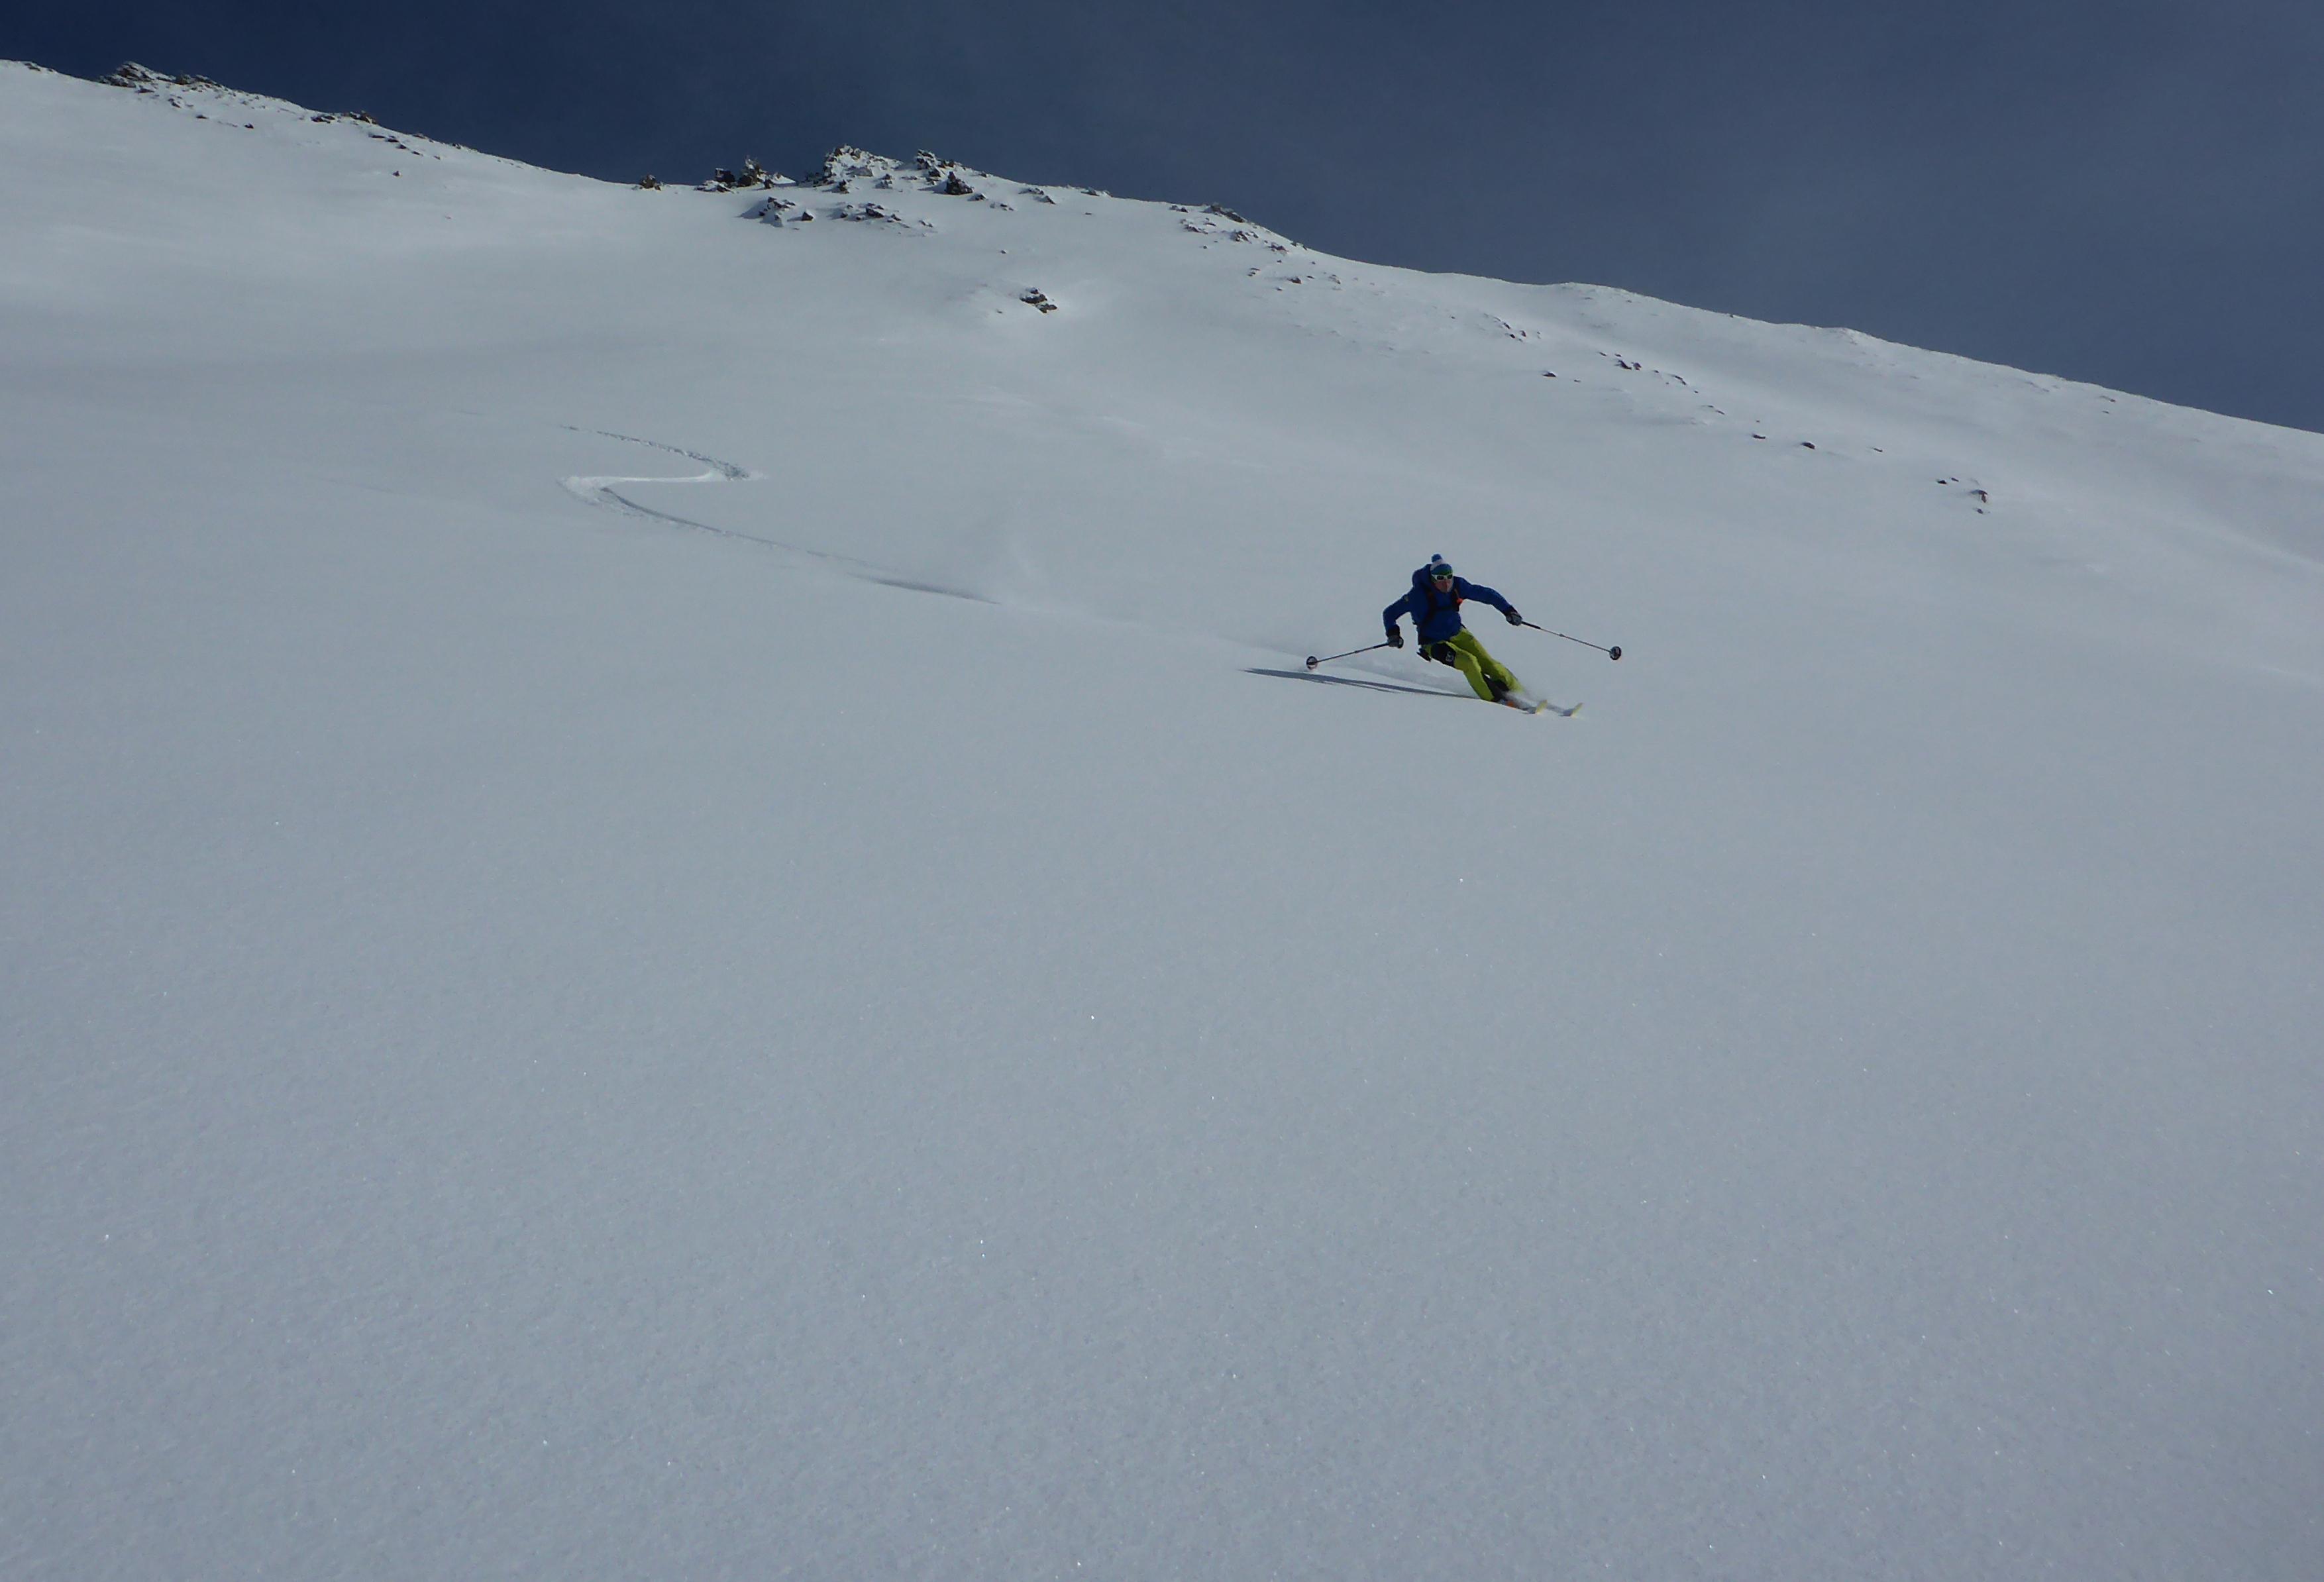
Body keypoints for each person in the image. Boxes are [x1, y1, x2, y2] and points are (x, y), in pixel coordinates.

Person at [1383, 555, 1528, 704]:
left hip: (1458, 633)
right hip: (1434, 643)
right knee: (1469, 663)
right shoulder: (1417, 596)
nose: (1446, 582)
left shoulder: (1458, 586)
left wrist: (1509, 611)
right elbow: (1390, 613)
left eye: (1449, 577)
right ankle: (1495, 700)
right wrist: (1393, 634)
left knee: (1490, 665)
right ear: (1432, 580)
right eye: (1440, 578)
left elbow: (1487, 595)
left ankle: (1522, 695)